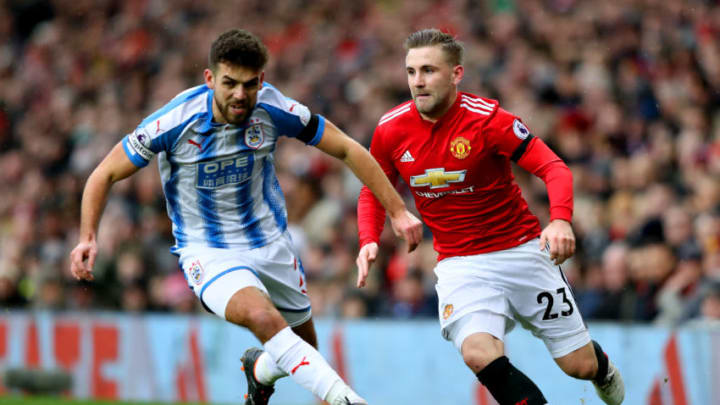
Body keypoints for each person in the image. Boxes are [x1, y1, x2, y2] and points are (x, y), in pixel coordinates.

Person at [70, 29, 422, 405]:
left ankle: (260, 371)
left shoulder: (273, 109)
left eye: (249, 84)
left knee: (301, 351)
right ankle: (350, 401)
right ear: (209, 79)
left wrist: (398, 211)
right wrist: (88, 236)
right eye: (230, 84)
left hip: (271, 244)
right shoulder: (175, 120)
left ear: (262, 80)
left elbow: (349, 150)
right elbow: (103, 173)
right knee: (263, 317)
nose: (240, 95)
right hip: (207, 251)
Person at [356, 29, 624, 405]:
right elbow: (372, 189)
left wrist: (560, 219)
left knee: (577, 366)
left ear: (456, 74)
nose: (418, 81)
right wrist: (369, 238)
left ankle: (602, 367)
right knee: (478, 353)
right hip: (460, 264)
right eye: (411, 71)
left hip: (522, 252)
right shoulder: (390, 129)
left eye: (429, 70)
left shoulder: (489, 120)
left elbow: (553, 167)